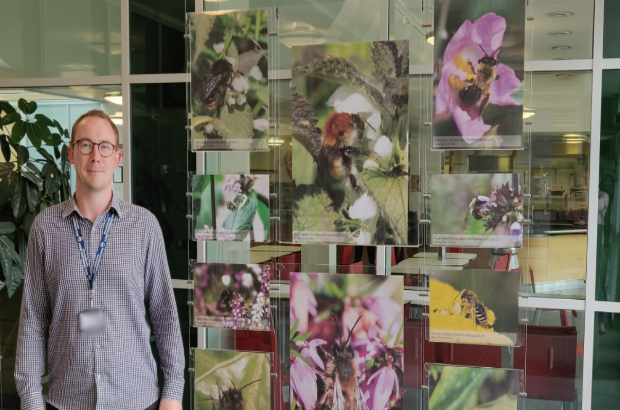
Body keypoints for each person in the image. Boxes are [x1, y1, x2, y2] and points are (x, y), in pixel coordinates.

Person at [15, 110, 185, 410]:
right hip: (67, 401)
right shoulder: (45, 227)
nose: (95, 155)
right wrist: (30, 400)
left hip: (135, 399)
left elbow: (165, 316)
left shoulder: (144, 226)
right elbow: (33, 320)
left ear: (117, 158)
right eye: (85, 145)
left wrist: (172, 393)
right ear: (71, 153)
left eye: (105, 146)